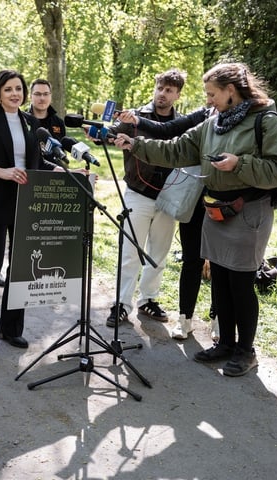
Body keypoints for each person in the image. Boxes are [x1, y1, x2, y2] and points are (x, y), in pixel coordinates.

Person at [113, 62, 277, 377]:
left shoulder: (266, 121)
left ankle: (245, 350)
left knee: (241, 284)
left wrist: (240, 164)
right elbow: (175, 149)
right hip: (216, 211)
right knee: (220, 281)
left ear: (231, 91)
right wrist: (136, 144)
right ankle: (225, 345)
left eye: (212, 94)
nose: (207, 100)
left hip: (248, 213)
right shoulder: (214, 121)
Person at [0, 69, 59, 359]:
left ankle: (11, 328)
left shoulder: (30, 122)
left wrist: (68, 172)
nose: (15, 94)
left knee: (20, 269)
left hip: (24, 203)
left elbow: (36, 161)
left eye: (18, 89)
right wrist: (2, 172)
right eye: (8, 90)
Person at [117, 106, 218, 340]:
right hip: (189, 197)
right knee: (191, 259)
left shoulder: (247, 121)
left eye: (214, 94)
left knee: (220, 266)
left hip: (225, 200)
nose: (210, 100)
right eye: (208, 95)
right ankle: (185, 319)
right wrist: (136, 124)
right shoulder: (203, 116)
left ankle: (218, 321)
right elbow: (168, 134)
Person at [105, 69, 186, 328]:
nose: (163, 93)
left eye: (169, 90)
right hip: (138, 194)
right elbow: (109, 134)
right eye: (160, 88)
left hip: (168, 198)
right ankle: (121, 303)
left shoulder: (183, 122)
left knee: (159, 253)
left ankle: (148, 299)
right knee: (130, 251)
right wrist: (104, 134)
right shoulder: (134, 116)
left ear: (177, 95)